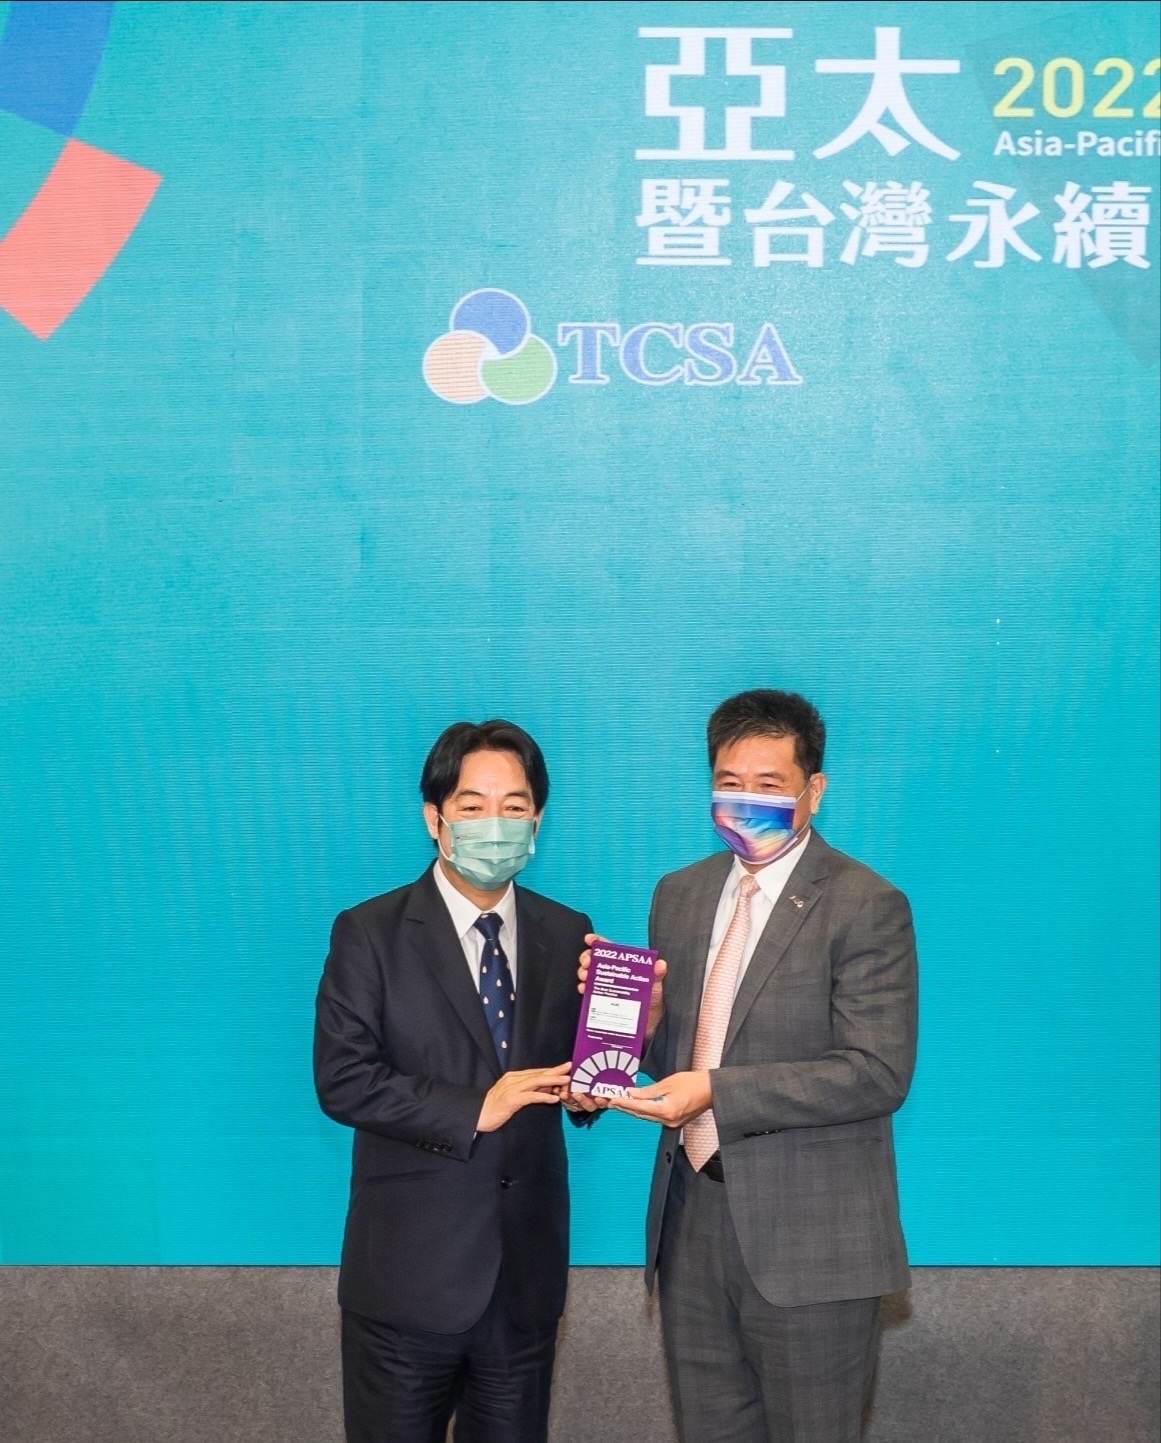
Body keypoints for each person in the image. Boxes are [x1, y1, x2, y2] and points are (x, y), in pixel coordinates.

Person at [604, 689, 917, 1443]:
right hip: (690, 1225)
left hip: (811, 1241)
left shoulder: (865, 903)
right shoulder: (679, 895)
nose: (745, 802)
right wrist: (636, 1032)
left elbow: (876, 1070)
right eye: (729, 782)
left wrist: (715, 1092)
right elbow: (682, 1053)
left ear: (814, 790)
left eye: (769, 784)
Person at [314, 719, 594, 1443]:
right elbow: (343, 1079)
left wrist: (605, 1072)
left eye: (513, 805)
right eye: (473, 805)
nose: (494, 824)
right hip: (407, 1283)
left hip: (524, 1284)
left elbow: (574, 1075)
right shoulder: (370, 932)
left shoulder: (567, 932)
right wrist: (476, 1107)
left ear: (537, 819)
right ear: (434, 818)